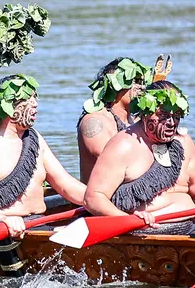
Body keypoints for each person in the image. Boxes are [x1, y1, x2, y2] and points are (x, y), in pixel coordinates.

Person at [0, 74, 86, 275]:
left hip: (41, 226)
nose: (35, 105)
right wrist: (1, 218)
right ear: (9, 105)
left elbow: (65, 184)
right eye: (28, 99)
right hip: (5, 235)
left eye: (35, 98)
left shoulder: (34, 139)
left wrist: (103, 200)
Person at [82, 80, 195, 234]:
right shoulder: (123, 145)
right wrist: (128, 220)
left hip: (187, 226)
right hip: (139, 232)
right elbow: (93, 198)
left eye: (176, 116)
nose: (170, 122)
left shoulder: (184, 143)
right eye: (162, 115)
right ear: (145, 112)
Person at [77, 57, 151, 183]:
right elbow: (112, 163)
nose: (142, 87)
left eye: (142, 81)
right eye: (135, 81)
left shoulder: (137, 120)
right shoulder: (94, 121)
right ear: (114, 84)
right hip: (102, 197)